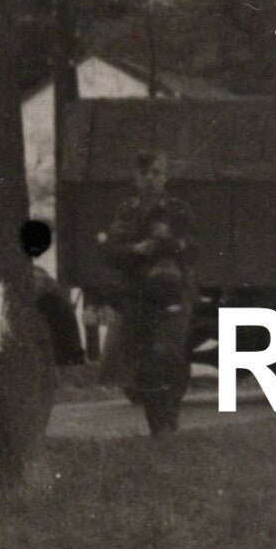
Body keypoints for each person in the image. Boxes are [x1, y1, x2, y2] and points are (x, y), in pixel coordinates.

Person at [103, 150, 196, 436]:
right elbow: (111, 252)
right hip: (137, 295)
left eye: (156, 173)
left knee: (166, 357)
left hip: (171, 294)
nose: (150, 179)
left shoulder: (177, 210)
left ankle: (168, 424)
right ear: (136, 177)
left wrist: (168, 240)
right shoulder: (127, 211)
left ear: (165, 177)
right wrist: (136, 249)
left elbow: (193, 249)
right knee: (142, 364)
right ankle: (158, 428)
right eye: (145, 173)